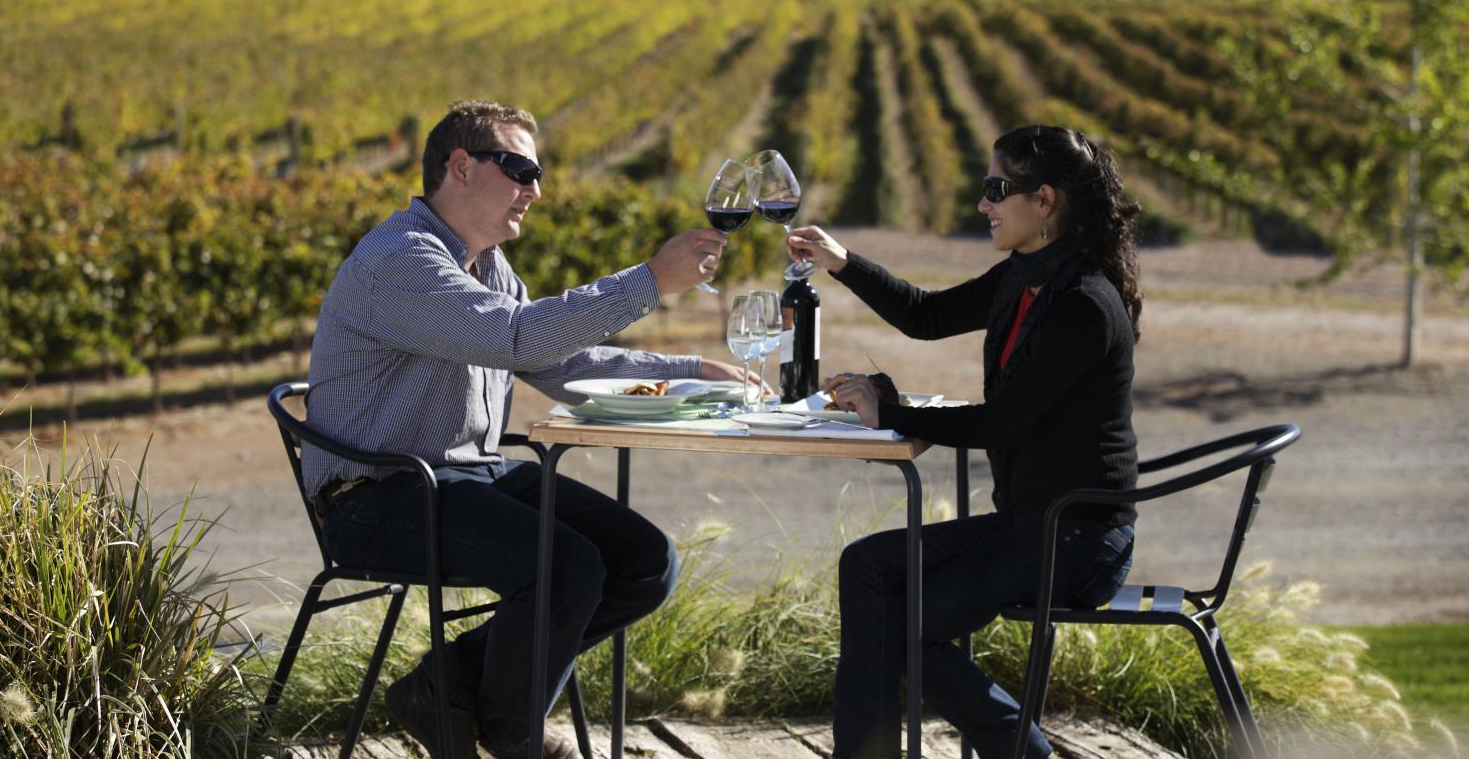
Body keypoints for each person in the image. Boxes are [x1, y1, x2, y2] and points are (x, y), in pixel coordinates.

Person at [304, 100, 752, 759]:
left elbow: (559, 360)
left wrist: (689, 370)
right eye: (519, 168)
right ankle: (514, 740)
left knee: (643, 561)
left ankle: (447, 684)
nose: (535, 190)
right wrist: (651, 280)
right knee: (563, 565)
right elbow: (516, 338)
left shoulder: (484, 264)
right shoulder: (400, 258)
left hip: (463, 476)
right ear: (460, 167)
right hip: (377, 498)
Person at [785, 125, 1141, 759]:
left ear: (1045, 201)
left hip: (1079, 540)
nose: (983, 205)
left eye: (995, 189)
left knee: (900, 626)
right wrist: (840, 262)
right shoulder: (1025, 277)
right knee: (867, 567)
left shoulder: (1082, 302)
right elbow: (927, 316)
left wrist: (891, 412)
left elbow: (1001, 424)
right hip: (1031, 525)